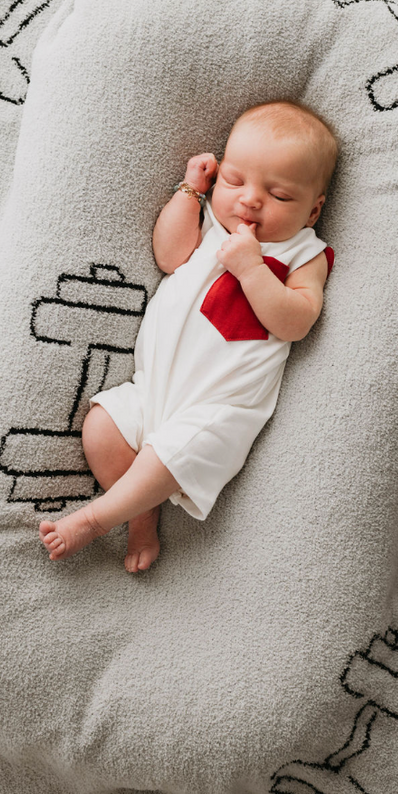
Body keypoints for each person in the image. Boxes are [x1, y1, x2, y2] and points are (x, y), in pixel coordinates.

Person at [39, 100, 338, 571]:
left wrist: (252, 268)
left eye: (279, 195)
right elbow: (169, 255)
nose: (250, 200)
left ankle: (95, 520)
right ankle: (143, 518)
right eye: (235, 180)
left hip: (218, 408)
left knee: (169, 453)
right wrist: (189, 193)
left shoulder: (304, 252)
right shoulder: (213, 225)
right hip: (151, 387)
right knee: (100, 428)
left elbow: (296, 321)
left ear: (312, 210)